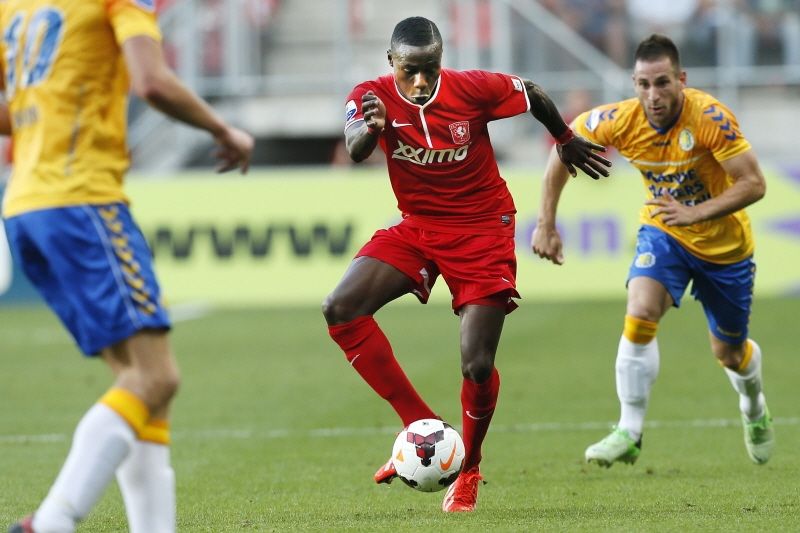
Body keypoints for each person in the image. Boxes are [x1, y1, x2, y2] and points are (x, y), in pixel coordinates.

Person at [322, 16, 609, 513]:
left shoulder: (472, 89)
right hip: (418, 226)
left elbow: (532, 92)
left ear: (441, 61)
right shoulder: (369, 97)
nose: (420, 81)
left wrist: (564, 138)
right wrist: (372, 129)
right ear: (391, 62)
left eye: (430, 69)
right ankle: (422, 428)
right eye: (409, 70)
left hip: (482, 228)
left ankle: (469, 466)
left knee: (476, 362)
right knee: (341, 308)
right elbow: (355, 148)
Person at [1, 1, 253, 532]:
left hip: (25, 206)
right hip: (82, 201)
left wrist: (47, 116)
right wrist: (222, 129)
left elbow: (14, 111)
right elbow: (152, 82)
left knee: (140, 383)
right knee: (157, 377)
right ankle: (52, 520)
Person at [532, 34, 773, 468]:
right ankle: (629, 431)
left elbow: (754, 183)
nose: (653, 95)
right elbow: (562, 152)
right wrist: (546, 223)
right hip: (665, 232)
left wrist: (695, 212)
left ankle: (753, 407)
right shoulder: (619, 120)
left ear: (681, 80)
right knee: (641, 309)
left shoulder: (710, 118)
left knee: (729, 354)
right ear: (634, 84)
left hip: (725, 247)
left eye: (662, 83)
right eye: (643, 84)